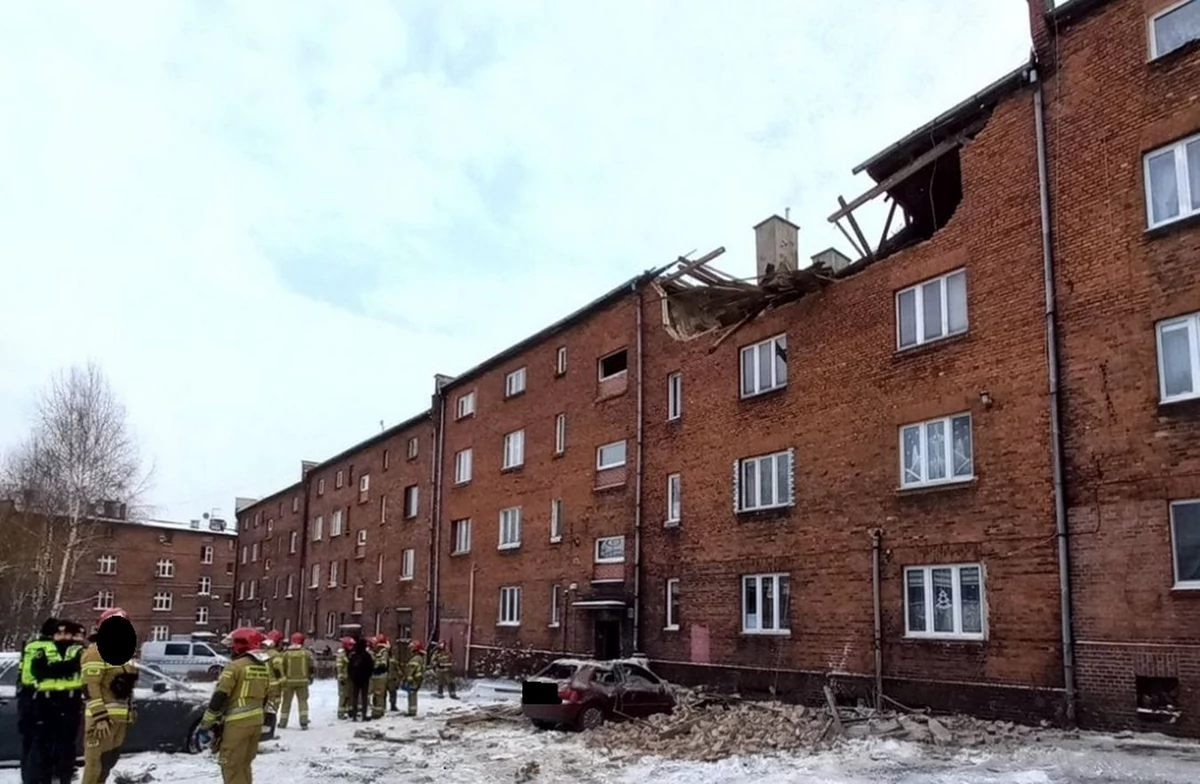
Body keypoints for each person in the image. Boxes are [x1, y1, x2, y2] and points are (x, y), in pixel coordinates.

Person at [196, 627, 278, 784]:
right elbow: (270, 695)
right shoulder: (264, 667)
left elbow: (220, 696)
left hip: (237, 725)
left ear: (241, 645)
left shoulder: (234, 667)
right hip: (256, 723)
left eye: (233, 645)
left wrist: (206, 724)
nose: (231, 648)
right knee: (244, 767)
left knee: (231, 767)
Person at [81, 608, 139, 784]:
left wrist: (132, 709)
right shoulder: (95, 652)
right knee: (95, 765)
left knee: (107, 763)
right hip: (102, 721)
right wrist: (100, 717)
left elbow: (127, 687)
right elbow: (90, 686)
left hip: (118, 720)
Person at [26, 618, 86, 784]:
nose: (62, 636)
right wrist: (63, 669)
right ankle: (45, 778)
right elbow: (37, 671)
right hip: (46, 702)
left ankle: (64, 778)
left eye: (66, 633)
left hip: (70, 702)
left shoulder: (78, 651)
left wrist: (53, 669)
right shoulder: (44, 649)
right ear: (53, 635)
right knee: (44, 744)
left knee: (66, 744)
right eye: (58, 633)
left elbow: (77, 666)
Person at [18, 617, 60, 783]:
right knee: (43, 747)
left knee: (28, 744)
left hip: (26, 700)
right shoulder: (52, 649)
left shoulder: (30, 646)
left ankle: (28, 779)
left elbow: (24, 674)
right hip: (44, 703)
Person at [277, 632, 314, 730]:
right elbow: (312, 667)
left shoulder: (285, 654)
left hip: (288, 682)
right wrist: (311, 677)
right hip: (303, 682)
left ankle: (283, 722)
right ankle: (304, 722)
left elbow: (281, 667)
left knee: (286, 703)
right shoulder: (306, 653)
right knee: (303, 702)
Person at [347, 637, 373, 722]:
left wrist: (352, 676)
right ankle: (364, 715)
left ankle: (354, 715)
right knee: (364, 697)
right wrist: (368, 676)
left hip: (355, 679)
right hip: (365, 679)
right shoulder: (367, 656)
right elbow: (371, 667)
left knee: (355, 697)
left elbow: (349, 667)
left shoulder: (353, 655)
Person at [401, 640, 426, 717]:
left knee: (412, 695)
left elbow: (411, 669)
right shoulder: (419, 658)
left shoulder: (415, 658)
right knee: (412, 695)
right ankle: (412, 710)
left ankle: (412, 712)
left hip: (413, 680)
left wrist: (407, 678)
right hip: (416, 679)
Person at [369, 635, 390, 720]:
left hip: (380, 676)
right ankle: (377, 711)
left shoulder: (383, 652)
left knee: (378, 694)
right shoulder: (379, 651)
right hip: (377, 675)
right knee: (377, 695)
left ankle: (378, 713)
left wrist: (373, 664)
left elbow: (382, 664)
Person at [335, 637, 353, 720]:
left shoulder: (349, 653)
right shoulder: (341, 654)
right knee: (343, 696)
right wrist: (341, 678)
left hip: (349, 677)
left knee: (349, 695)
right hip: (344, 679)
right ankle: (341, 713)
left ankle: (349, 711)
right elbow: (339, 667)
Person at [386, 639, 402, 712]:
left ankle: (392, 705)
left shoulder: (392, 659)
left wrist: (398, 676)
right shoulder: (389, 659)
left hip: (390, 678)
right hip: (386, 677)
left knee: (392, 693)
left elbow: (397, 669)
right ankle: (384, 706)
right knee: (387, 693)